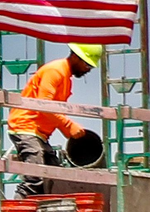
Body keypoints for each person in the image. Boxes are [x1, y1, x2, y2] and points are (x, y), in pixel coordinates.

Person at [7, 43, 103, 199]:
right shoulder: (55, 71)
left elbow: (52, 111)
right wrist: (68, 125)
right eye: (87, 64)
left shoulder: (65, 77)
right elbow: (44, 105)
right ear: (75, 57)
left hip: (38, 133)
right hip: (25, 127)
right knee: (35, 179)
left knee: (55, 179)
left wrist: (68, 131)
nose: (88, 69)